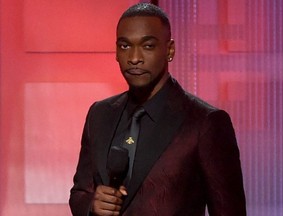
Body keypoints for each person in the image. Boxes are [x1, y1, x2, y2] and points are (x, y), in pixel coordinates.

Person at [69, 3, 246, 216]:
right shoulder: (99, 114)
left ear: (169, 50)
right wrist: (92, 205)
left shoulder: (205, 122)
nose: (134, 58)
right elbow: (80, 192)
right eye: (125, 46)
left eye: (148, 46)